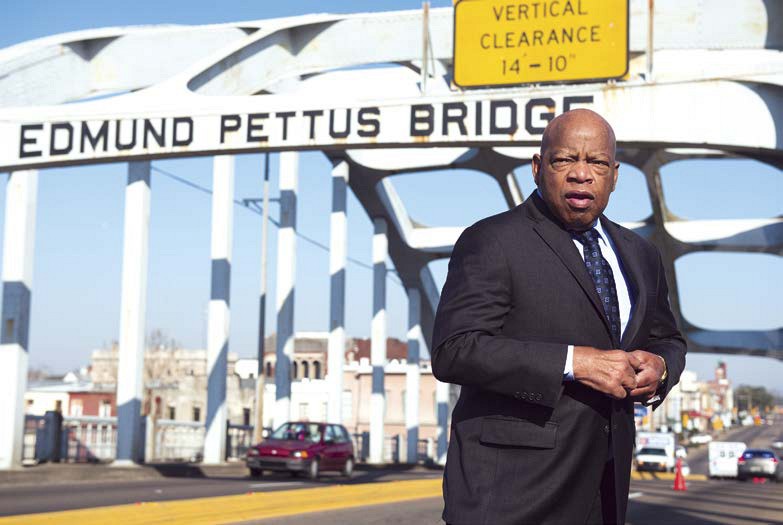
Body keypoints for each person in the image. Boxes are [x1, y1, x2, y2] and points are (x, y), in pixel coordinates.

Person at [431, 109, 686, 525]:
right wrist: (574, 363)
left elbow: (668, 339)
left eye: (597, 162)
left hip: (605, 489)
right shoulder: (492, 240)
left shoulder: (641, 254)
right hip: (509, 497)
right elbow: (453, 350)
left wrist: (660, 369)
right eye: (565, 159)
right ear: (537, 167)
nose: (581, 174)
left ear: (615, 174)